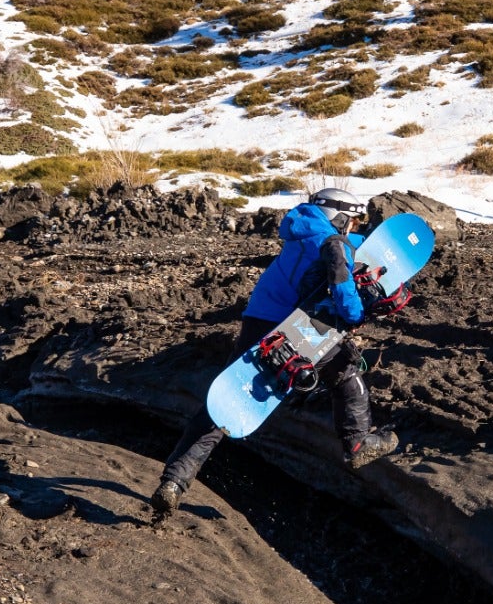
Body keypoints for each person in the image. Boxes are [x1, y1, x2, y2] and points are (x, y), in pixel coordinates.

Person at [152, 188, 400, 522]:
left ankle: (173, 482)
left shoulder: (301, 232)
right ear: (338, 216)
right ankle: (357, 443)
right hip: (293, 328)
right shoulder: (333, 244)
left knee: (228, 399)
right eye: (352, 218)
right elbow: (343, 288)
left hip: (257, 320)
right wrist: (356, 317)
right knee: (344, 370)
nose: (352, 225)